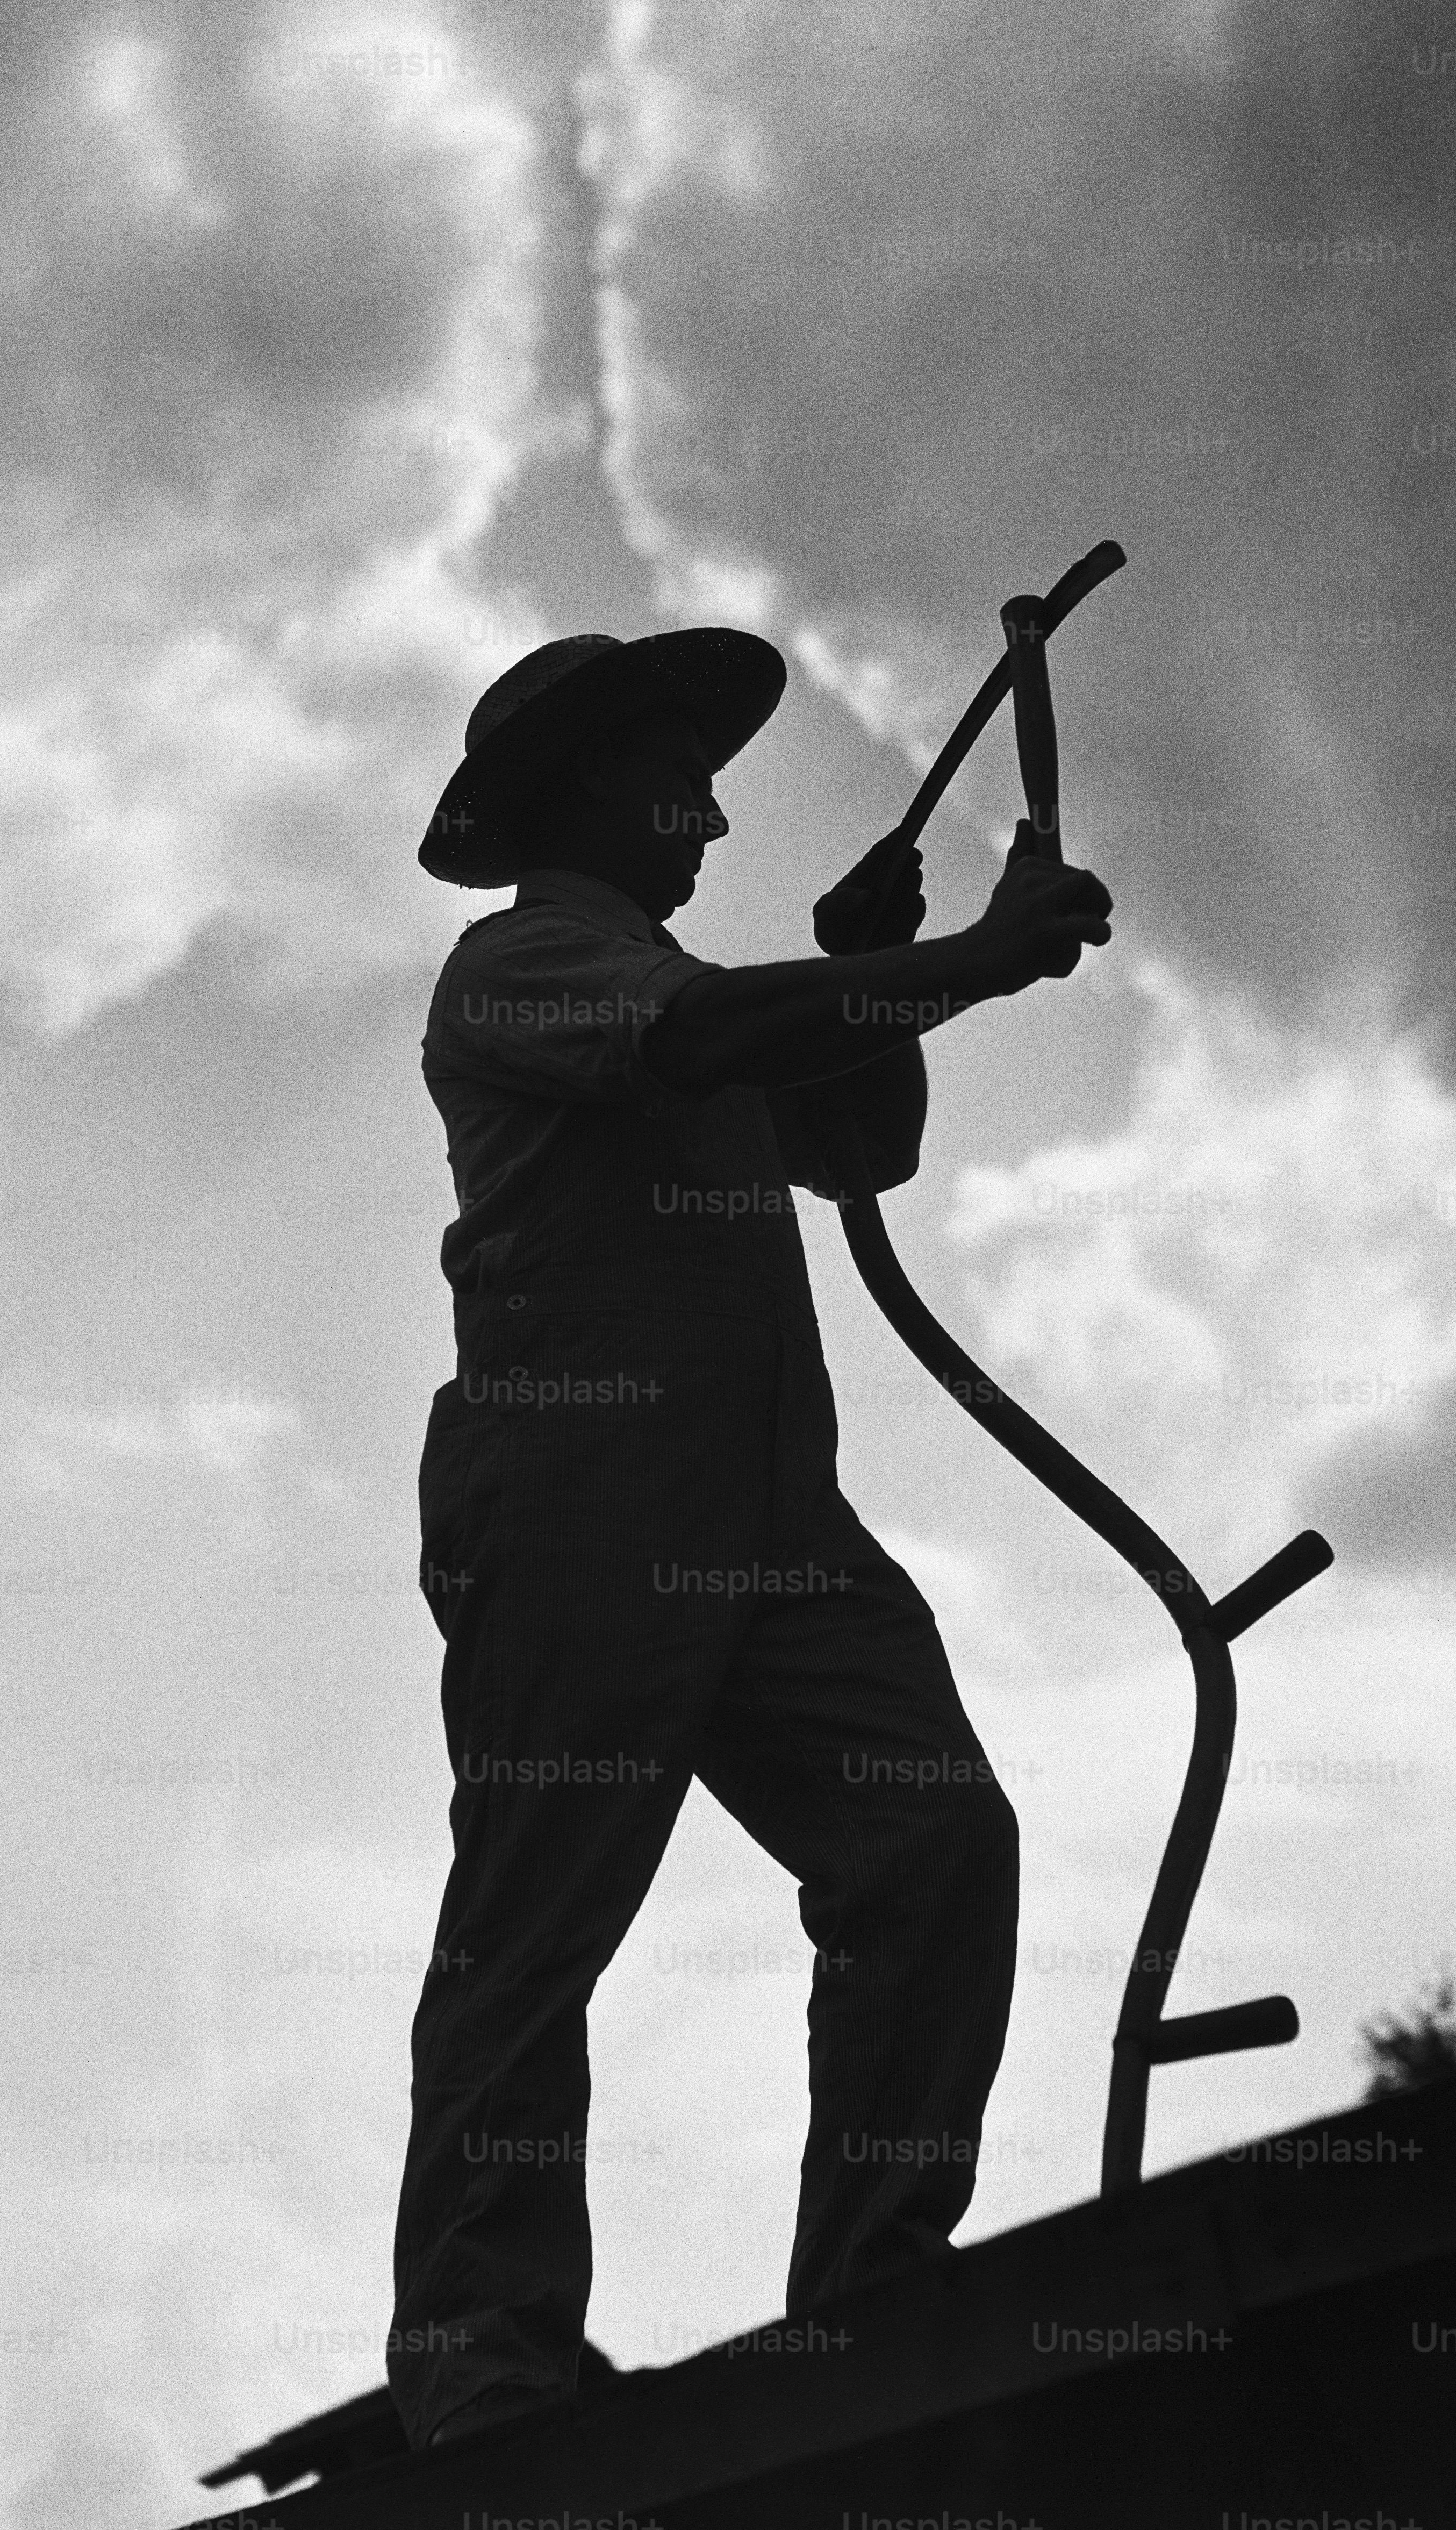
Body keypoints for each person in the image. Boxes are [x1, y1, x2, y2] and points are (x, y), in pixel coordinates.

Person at [389, 625, 1113, 2450]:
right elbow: (720, 1036)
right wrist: (961, 962)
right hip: (577, 1498)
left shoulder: (686, 990)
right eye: (680, 780)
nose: (712, 820)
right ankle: (482, 2371)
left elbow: (857, 1143)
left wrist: (879, 975)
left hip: (770, 1515)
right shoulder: (524, 967)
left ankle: (870, 2301)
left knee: (931, 1839)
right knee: (535, 1930)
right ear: (586, 789)